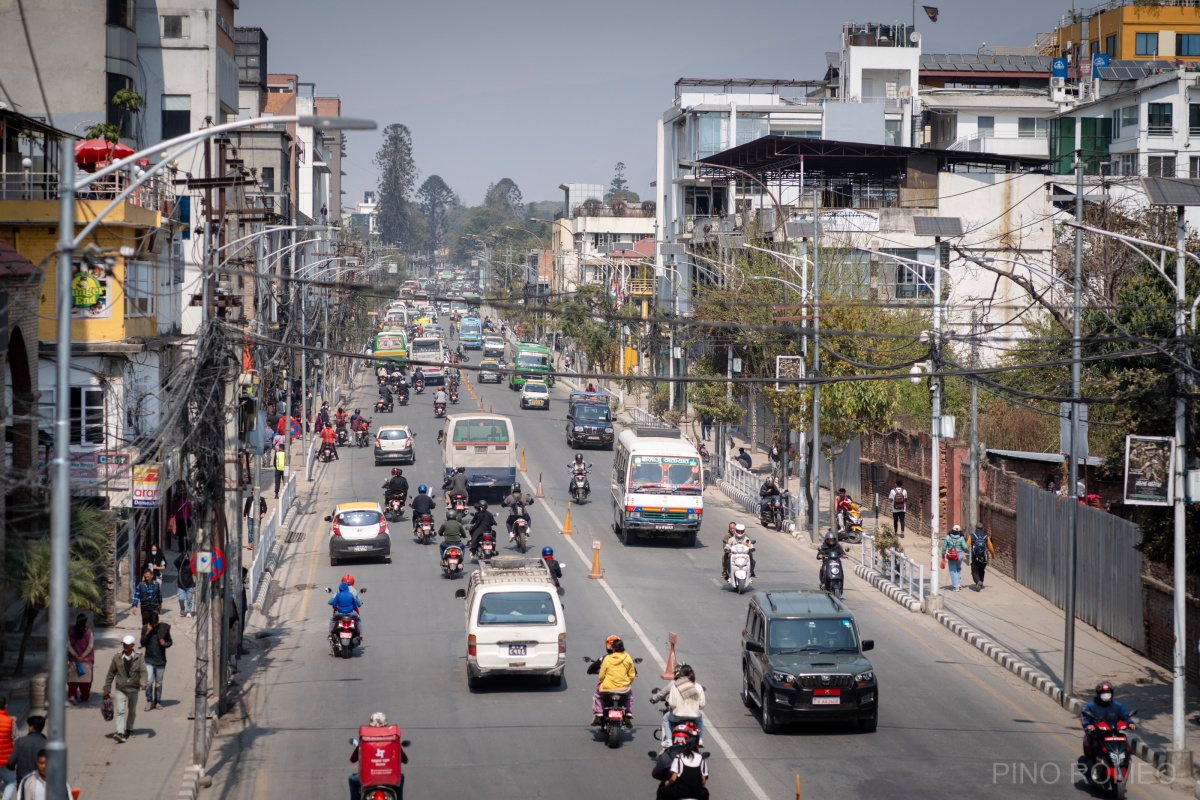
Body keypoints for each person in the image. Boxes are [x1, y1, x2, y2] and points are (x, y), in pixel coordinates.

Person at [347, 712, 407, 800]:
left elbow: (353, 759)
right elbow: (404, 759)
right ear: (385, 725)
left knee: (352, 779)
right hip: (389, 779)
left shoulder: (365, 739)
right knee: (401, 777)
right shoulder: (393, 739)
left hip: (368, 779)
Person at [102, 637, 146, 743]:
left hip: (133, 688)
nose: (125, 647)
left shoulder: (139, 657)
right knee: (120, 710)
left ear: (132, 645)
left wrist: (143, 682)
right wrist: (107, 688)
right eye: (124, 644)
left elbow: (143, 671)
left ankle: (129, 728)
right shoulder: (117, 657)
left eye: (127, 645)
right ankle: (120, 732)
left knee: (132, 710)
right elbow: (110, 673)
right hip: (120, 688)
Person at [1081, 681, 1135, 763]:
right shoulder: (1091, 706)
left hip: (1114, 733)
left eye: (1108, 692)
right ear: (1099, 694)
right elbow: (1084, 717)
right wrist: (1088, 725)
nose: (1106, 694)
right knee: (1094, 745)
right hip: (1097, 733)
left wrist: (1130, 723)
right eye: (1103, 692)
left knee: (1125, 744)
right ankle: (1091, 764)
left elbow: (1125, 715)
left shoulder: (1118, 706)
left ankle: (1126, 761)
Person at [655, 664, 706, 746]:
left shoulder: (675, 686)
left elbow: (671, 703)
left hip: (677, 717)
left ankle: (668, 740)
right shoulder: (698, 686)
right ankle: (700, 739)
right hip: (694, 717)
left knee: (666, 718)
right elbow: (702, 705)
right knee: (700, 717)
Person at [591, 637, 636, 727]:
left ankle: (599, 713)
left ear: (613, 648)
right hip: (624, 689)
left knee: (597, 694)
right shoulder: (627, 657)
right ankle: (628, 713)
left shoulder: (607, 658)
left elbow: (601, 675)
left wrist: (603, 681)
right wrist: (627, 683)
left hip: (607, 689)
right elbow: (632, 674)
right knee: (629, 697)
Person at [658, 725, 708, 800]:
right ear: (697, 745)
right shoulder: (701, 758)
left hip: (680, 793)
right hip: (697, 794)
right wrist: (701, 788)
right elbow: (703, 780)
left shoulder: (679, 757)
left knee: (661, 791)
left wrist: (667, 784)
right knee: (706, 793)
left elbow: (673, 779)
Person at [140, 612, 172, 711]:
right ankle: (149, 700)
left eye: (156, 623)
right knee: (149, 680)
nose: (154, 625)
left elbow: (170, 642)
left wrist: (164, 644)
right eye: (153, 623)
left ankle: (157, 701)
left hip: (160, 660)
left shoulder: (163, 629)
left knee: (158, 683)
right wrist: (148, 632)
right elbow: (142, 643)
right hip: (149, 659)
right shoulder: (145, 628)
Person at [67, 614, 95, 705]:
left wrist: (75, 654)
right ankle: (84, 696)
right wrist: (83, 655)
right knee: (86, 680)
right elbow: (90, 646)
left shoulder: (71, 631)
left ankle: (72, 696)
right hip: (86, 660)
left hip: (74, 659)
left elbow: (68, 645)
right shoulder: (89, 632)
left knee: (73, 680)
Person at [941, 524, 969, 591]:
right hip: (959, 555)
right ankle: (959, 583)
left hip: (951, 555)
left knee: (953, 570)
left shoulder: (948, 537)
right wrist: (967, 551)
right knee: (958, 568)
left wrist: (943, 555)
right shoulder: (961, 538)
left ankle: (956, 586)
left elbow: (944, 548)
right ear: (959, 531)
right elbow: (965, 547)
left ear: (952, 530)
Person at [969, 522, 995, 590]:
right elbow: (990, 548)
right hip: (984, 557)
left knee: (974, 571)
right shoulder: (986, 537)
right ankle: (981, 582)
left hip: (975, 557)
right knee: (981, 570)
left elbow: (966, 546)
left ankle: (978, 581)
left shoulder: (972, 535)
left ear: (976, 528)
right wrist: (992, 555)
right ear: (982, 529)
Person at [174, 550, 195, 618]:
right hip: (181, 586)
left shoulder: (191, 565)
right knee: (181, 599)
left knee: (189, 599)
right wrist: (182, 556)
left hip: (190, 585)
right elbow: (175, 562)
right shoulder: (180, 565)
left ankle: (189, 611)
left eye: (187, 557)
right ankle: (182, 608)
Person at [0, 702, 12, 800]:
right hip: (6, 760)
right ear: (5, 706)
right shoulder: (10, 721)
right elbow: (15, 740)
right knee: (11, 782)